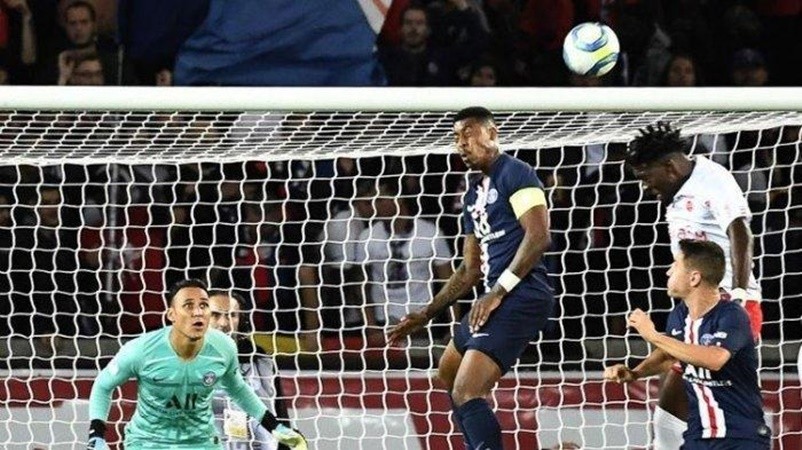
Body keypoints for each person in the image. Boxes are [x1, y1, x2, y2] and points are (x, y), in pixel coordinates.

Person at [387, 106, 554, 449]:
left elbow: (539, 236)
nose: (460, 144)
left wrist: (496, 293)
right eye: (455, 138)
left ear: (492, 134)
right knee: (448, 372)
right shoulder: (472, 193)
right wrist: (427, 312)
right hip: (497, 296)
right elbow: (468, 269)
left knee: (467, 389)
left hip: (521, 295)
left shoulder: (517, 172)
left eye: (468, 134)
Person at [626, 122, 763, 449]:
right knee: (676, 418)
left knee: (703, 415)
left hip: (728, 309)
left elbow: (740, 231)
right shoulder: (676, 192)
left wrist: (740, 296)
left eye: (647, 177)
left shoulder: (712, 180)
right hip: (695, 310)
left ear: (670, 167)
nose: (646, 187)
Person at [85, 279, 307, 450]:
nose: (198, 312)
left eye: (203, 305)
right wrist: (97, 433)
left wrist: (275, 426)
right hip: (149, 442)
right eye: (189, 306)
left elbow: (238, 389)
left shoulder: (227, 349)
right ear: (171, 314)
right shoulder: (141, 349)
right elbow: (103, 385)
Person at [604, 240, 770, 449]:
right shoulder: (680, 314)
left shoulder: (732, 315)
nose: (668, 271)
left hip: (740, 437)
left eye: (675, 264)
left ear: (694, 278)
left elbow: (715, 358)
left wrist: (653, 335)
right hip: (697, 437)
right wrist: (635, 373)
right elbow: (670, 354)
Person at [353, 181, 454, 346]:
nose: (374, 205)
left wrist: (453, 326)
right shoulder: (367, 236)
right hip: (383, 321)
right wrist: (371, 327)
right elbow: (361, 286)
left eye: (380, 200)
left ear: (398, 199)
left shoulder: (430, 233)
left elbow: (449, 283)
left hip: (421, 320)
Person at [208, 290, 290, 450]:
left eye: (232, 315)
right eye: (215, 315)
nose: (224, 323)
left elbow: (279, 417)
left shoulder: (260, 362)